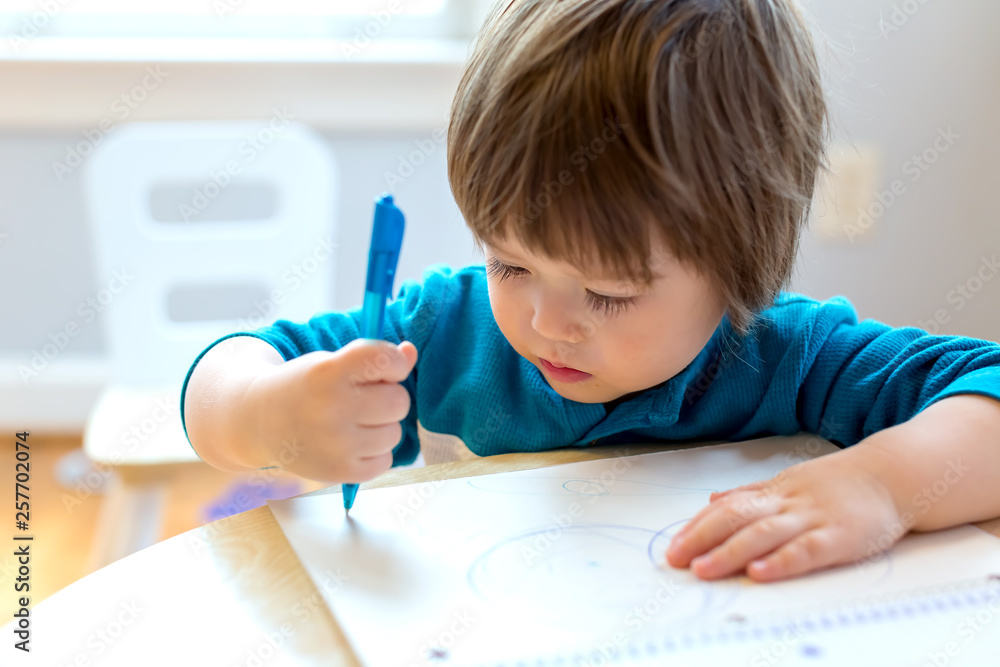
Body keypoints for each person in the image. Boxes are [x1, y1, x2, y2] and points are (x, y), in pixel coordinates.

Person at [181, 0, 1000, 583]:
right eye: (510, 263)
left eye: (607, 293)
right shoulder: (445, 334)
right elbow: (217, 379)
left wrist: (882, 484)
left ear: (739, 264)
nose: (544, 323)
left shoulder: (794, 358)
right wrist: (267, 411)